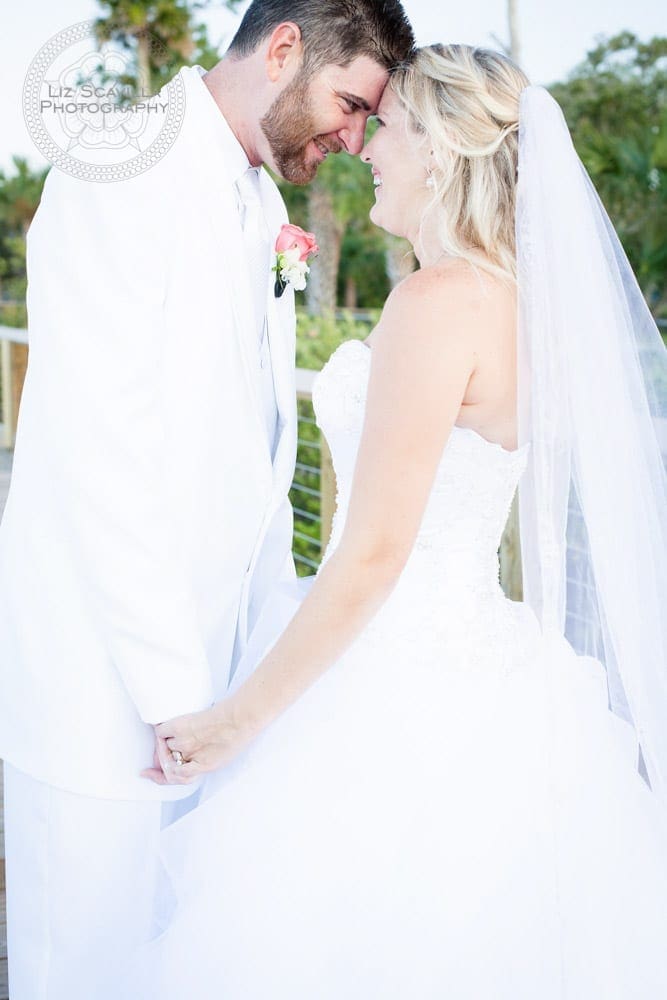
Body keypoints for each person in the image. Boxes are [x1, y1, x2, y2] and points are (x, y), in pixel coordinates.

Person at [132, 44, 667, 998]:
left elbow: (376, 551)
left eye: (388, 128)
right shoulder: (514, 303)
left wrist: (234, 723)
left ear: (442, 150)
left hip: (391, 681)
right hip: (489, 665)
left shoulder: (438, 302)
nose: (366, 149)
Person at [0, 2, 414, 997]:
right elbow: (103, 455)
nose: (354, 138)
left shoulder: (260, 204)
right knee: (80, 969)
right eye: (350, 104)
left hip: (214, 698)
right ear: (284, 49)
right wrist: (179, 700)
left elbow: (253, 456)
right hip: (105, 697)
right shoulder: (119, 166)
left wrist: (239, 696)